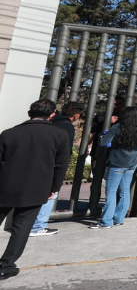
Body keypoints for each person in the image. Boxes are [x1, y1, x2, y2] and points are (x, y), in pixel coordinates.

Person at [0, 99, 72, 280]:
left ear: (29, 113)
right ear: (52, 115)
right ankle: (5, 265)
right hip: (37, 187)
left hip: (5, 186)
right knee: (21, 228)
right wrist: (54, 188)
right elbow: (61, 164)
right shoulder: (59, 135)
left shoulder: (8, 134)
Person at [29, 102, 84, 238]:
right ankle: (38, 226)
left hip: (34, 161)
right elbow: (65, 150)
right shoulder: (67, 127)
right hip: (52, 164)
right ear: (76, 115)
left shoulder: (50, 121)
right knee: (50, 194)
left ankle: (27, 223)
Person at [90, 106, 137, 229]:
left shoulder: (117, 127)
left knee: (111, 192)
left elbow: (103, 143)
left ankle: (106, 221)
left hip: (117, 164)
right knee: (125, 191)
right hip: (132, 163)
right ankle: (119, 219)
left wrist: (105, 133)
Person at [87, 96, 125, 218]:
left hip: (117, 155)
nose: (116, 106)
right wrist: (107, 123)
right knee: (97, 180)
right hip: (99, 153)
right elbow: (91, 129)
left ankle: (116, 207)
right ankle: (93, 205)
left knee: (117, 184)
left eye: (118, 104)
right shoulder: (101, 116)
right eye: (113, 104)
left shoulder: (125, 118)